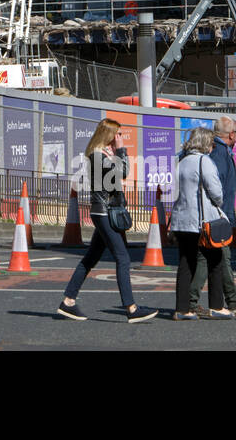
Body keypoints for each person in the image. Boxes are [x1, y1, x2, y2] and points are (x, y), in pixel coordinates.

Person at [58, 118, 158, 323]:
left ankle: (68, 301)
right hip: (104, 213)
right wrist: (121, 150)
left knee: (91, 258)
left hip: (105, 211)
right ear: (109, 135)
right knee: (123, 258)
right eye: (118, 134)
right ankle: (131, 308)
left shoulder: (102, 156)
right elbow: (123, 172)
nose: (120, 138)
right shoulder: (97, 156)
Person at [169, 125, 233, 320]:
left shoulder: (181, 161)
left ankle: (182, 309)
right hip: (201, 221)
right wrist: (218, 203)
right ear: (206, 143)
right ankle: (216, 306)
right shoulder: (204, 162)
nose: (213, 147)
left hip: (181, 220)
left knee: (186, 263)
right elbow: (216, 192)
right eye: (212, 143)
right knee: (216, 260)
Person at [188, 117, 236, 316]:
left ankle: (228, 298)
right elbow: (218, 188)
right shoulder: (221, 153)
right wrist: (227, 218)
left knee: (215, 258)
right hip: (217, 215)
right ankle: (230, 299)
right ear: (231, 134)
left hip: (212, 214)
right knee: (219, 257)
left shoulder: (216, 151)